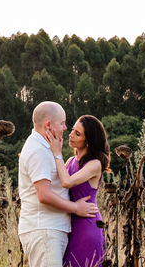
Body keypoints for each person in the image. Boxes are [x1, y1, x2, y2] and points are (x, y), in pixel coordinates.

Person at [18, 102, 99, 267]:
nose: (65, 127)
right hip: (44, 230)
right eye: (62, 123)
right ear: (48, 125)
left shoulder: (45, 147)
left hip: (51, 229)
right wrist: (75, 208)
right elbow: (44, 195)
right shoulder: (38, 150)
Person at [41, 114, 110, 267]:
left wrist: (56, 152)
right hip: (71, 225)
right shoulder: (71, 161)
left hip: (87, 226)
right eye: (73, 130)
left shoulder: (95, 164)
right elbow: (54, 183)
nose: (70, 135)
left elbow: (66, 182)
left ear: (88, 141)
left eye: (77, 134)